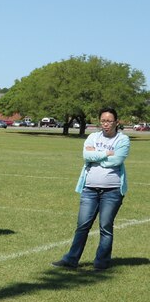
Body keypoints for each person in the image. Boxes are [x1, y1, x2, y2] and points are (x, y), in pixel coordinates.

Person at [52, 107, 130, 271]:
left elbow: (117, 161)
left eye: (109, 121)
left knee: (105, 227)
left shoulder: (123, 140)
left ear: (116, 122)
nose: (106, 124)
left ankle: (101, 262)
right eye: (103, 121)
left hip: (112, 191)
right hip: (89, 189)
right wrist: (106, 153)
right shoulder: (93, 137)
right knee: (82, 226)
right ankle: (71, 259)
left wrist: (98, 155)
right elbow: (87, 156)